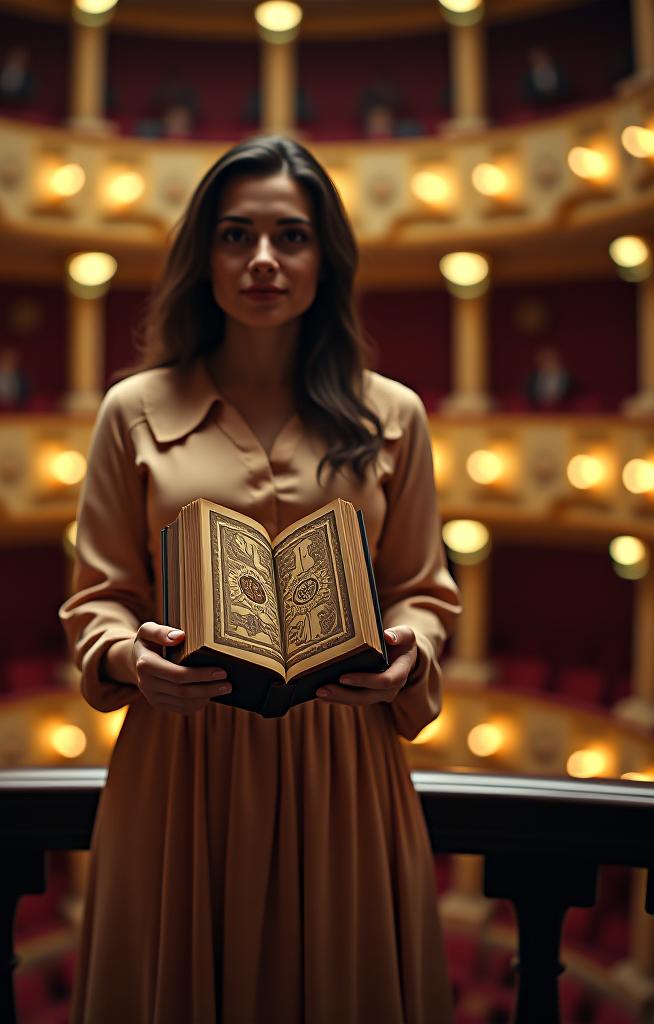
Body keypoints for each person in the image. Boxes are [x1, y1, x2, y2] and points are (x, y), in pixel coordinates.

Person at [59, 134, 461, 1023]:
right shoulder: (132, 410)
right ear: (204, 257)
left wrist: (408, 650)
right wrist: (133, 661)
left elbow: (423, 591)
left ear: (327, 258)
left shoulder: (394, 415)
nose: (265, 261)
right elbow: (99, 596)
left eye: (292, 236)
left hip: (342, 762)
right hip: (181, 759)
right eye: (237, 236)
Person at [525, 345, 574, 409]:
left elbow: (573, 398)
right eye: (543, 359)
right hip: (537, 414)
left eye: (550, 359)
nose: (547, 363)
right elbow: (527, 396)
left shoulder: (568, 379)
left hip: (563, 414)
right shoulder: (532, 378)